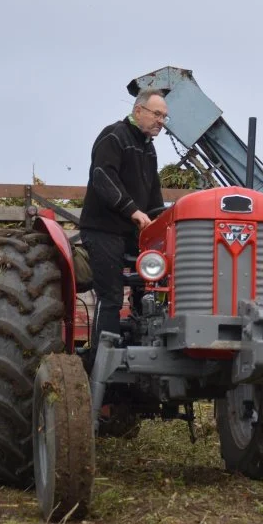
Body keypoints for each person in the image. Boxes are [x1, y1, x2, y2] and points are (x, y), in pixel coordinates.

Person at [79, 88, 169, 360]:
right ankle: (101, 360)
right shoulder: (114, 136)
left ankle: (145, 343)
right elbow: (103, 178)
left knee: (154, 285)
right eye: (157, 114)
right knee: (111, 297)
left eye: (165, 117)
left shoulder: (147, 148)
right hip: (103, 229)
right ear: (138, 111)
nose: (161, 121)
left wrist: (161, 225)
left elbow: (153, 194)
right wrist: (133, 211)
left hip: (131, 231)